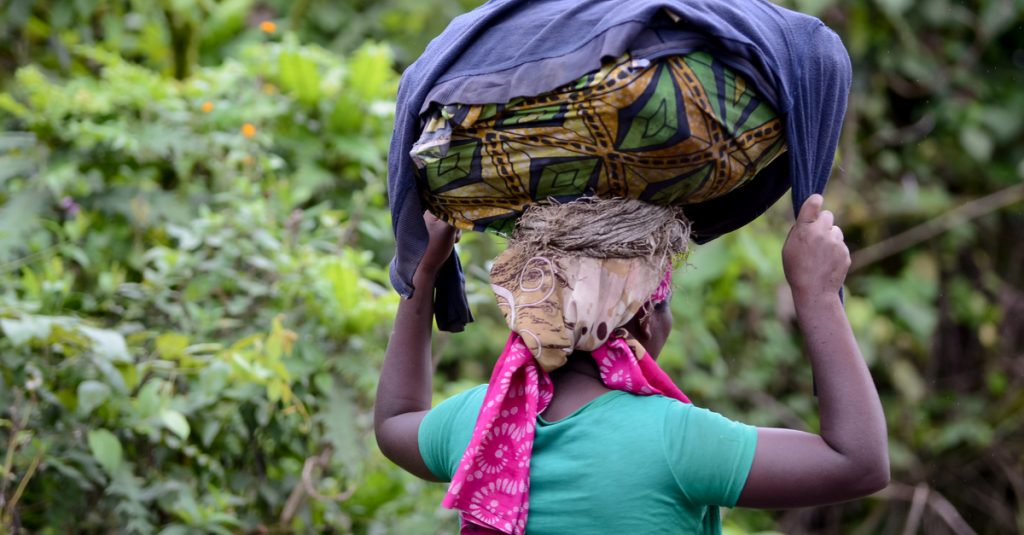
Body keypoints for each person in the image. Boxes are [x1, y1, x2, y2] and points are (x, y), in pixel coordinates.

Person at [375, 195, 889, 534]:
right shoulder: (675, 442)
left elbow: (394, 422)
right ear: (644, 316)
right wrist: (817, 295)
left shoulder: (482, 424)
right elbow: (859, 463)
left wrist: (422, 272)